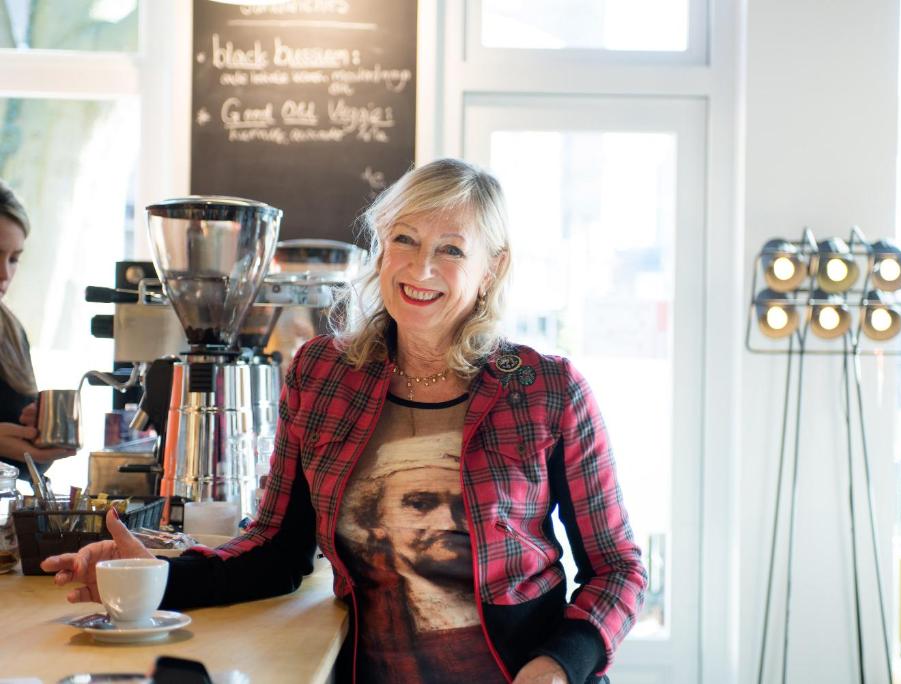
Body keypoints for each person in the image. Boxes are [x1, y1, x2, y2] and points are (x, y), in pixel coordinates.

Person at [42, 159, 648, 684]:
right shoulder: (323, 375)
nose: (421, 268)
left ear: (492, 268)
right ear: (381, 246)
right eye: (405, 239)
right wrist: (153, 578)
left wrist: (561, 664)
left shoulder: (545, 388)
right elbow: (275, 552)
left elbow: (618, 568)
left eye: (452, 250)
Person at [0, 180, 74, 480]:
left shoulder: (9, 332)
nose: (5, 274)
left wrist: (41, 436)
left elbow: (24, 469)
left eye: (14, 259)